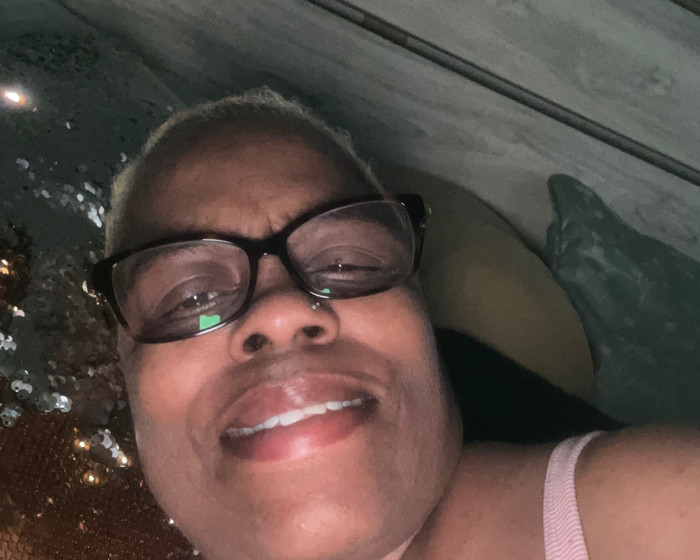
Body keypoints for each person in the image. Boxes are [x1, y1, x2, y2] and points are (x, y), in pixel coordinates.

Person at [92, 87, 700, 560]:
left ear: (419, 310)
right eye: (192, 297)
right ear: (122, 373)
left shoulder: (655, 515)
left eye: (345, 262)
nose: (280, 312)